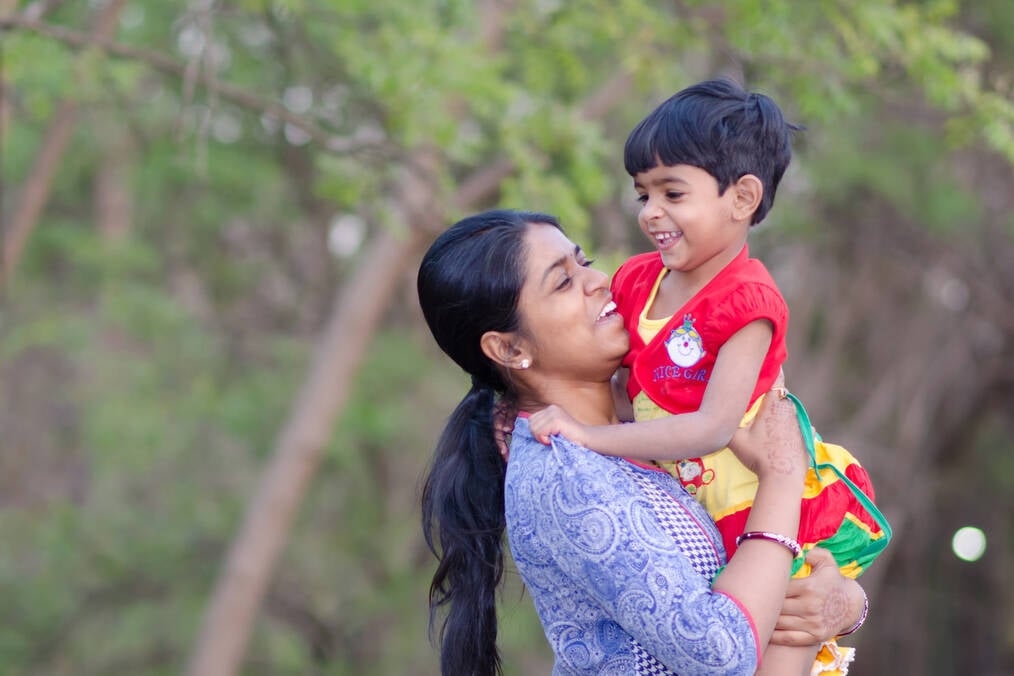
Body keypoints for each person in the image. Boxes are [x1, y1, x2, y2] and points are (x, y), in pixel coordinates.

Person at [526, 79, 890, 674]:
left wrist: (592, 437)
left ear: (742, 197)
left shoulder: (747, 303)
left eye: (672, 193)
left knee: (784, 635)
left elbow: (713, 427)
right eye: (643, 194)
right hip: (700, 501)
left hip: (756, 498)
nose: (651, 213)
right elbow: (614, 374)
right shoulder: (638, 280)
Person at [418, 209, 868, 676]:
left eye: (584, 263)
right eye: (563, 282)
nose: (598, 281)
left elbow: (755, 584)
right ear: (510, 349)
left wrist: (845, 605)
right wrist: (782, 477)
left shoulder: (651, 425)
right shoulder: (565, 473)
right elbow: (719, 653)